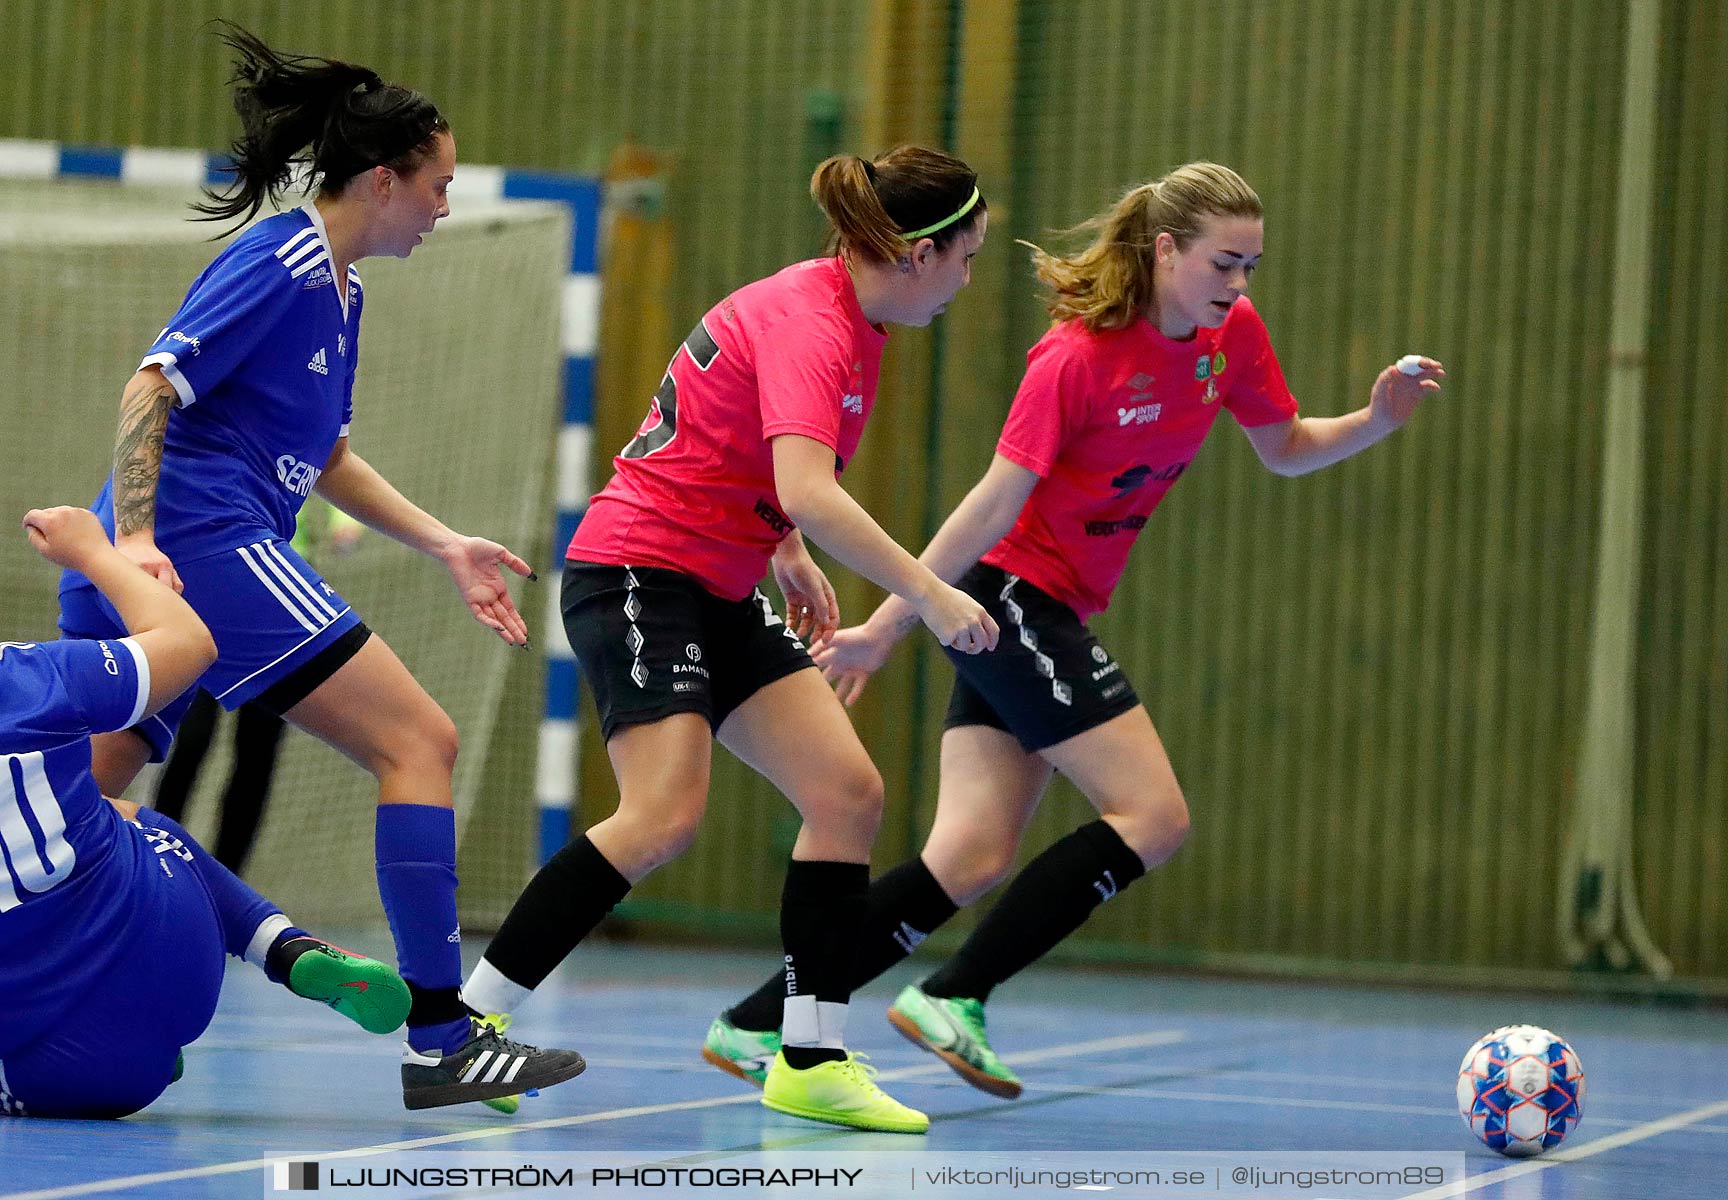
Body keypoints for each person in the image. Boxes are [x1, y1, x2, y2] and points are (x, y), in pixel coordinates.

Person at [702, 162, 1446, 1099]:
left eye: (1253, 266)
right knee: (1154, 816)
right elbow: (991, 503)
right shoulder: (1077, 357)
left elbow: (1287, 447)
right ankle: (959, 994)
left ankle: (754, 1023)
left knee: (968, 854)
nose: (1240, 285)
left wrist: (1379, 419)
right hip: (1011, 598)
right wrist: (894, 623)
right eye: (1224, 263)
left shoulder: (1232, 339)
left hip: (1049, 607)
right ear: (1166, 250)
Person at [53, 22, 584, 1110]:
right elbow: (151, 387)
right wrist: (144, 542)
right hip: (200, 547)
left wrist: (442, 543)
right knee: (420, 740)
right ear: (382, 181)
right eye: (437, 185)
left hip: (173, 554)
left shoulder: (344, 292)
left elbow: (324, 453)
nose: (445, 206)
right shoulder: (283, 260)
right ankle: (443, 1035)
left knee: (70, 811)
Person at [457, 147, 998, 1134]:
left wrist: (784, 548)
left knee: (846, 794)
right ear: (920, 254)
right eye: (968, 257)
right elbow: (807, 484)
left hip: (717, 578)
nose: (970, 280)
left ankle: (810, 1055)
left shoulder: (849, 316)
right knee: (662, 817)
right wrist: (927, 592)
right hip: (639, 573)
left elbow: (750, 455)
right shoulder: (816, 322)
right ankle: (463, 1036)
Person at [1, 506, 414, 1119]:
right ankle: (281, 945)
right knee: (129, 817)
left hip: (79, 1067)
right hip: (178, 938)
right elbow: (190, 645)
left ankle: (142, 1043)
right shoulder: (25, 675)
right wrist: (95, 555)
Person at [151, 501, 363, 872]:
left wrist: (345, 524)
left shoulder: (296, 451)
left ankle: (227, 877)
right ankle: (156, 858)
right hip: (214, 598)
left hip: (275, 612)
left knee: (256, 750)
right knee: (192, 737)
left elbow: (326, 477)